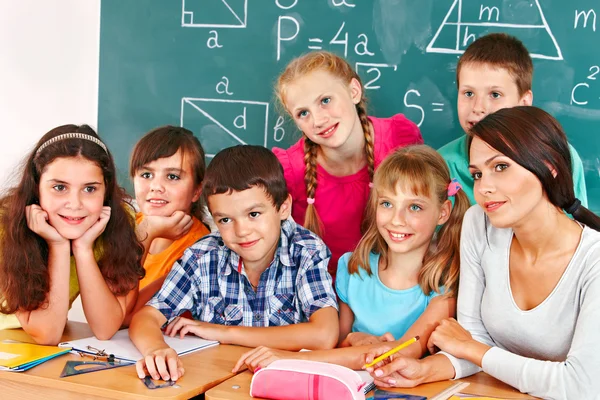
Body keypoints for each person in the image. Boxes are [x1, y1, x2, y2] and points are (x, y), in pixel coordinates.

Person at [365, 107, 600, 399]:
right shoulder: (479, 223)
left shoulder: (594, 260)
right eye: (477, 174)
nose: (483, 188)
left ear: (549, 165)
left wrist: (474, 350)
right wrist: (424, 371)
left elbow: (582, 385)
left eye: (500, 167)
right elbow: (471, 338)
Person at [233, 145, 468, 373]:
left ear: (443, 212)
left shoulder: (446, 286)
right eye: (387, 204)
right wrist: (355, 338)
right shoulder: (353, 268)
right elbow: (341, 341)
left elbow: (398, 354)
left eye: (415, 207)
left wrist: (290, 359)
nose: (397, 219)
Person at [130, 145, 339, 382]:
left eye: (253, 214)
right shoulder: (203, 256)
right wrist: (155, 348)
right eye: (226, 219)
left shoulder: (305, 251)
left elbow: (325, 334)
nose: (241, 231)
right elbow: (145, 318)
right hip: (215, 386)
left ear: (283, 208)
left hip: (285, 387)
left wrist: (224, 332)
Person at [273, 51, 423, 278]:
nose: (318, 120)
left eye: (325, 101)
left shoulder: (399, 138)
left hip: (399, 285)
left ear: (354, 91)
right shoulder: (291, 170)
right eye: (303, 113)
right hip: (327, 297)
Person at [0, 124, 144, 344]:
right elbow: (46, 333)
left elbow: (105, 329)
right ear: (36, 188)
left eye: (89, 189)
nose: (75, 204)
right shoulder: (7, 227)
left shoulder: (118, 222)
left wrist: (83, 249)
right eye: (59, 188)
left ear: (106, 190)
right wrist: (58, 246)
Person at [438, 33, 587, 207]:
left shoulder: (557, 156)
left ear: (524, 103)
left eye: (495, 94)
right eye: (468, 93)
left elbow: (576, 226)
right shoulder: (440, 164)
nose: (478, 107)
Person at [124, 126, 210, 324]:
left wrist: (147, 231)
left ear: (197, 190)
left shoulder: (200, 250)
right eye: (146, 175)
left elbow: (124, 316)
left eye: (172, 177)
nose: (156, 186)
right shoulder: (125, 226)